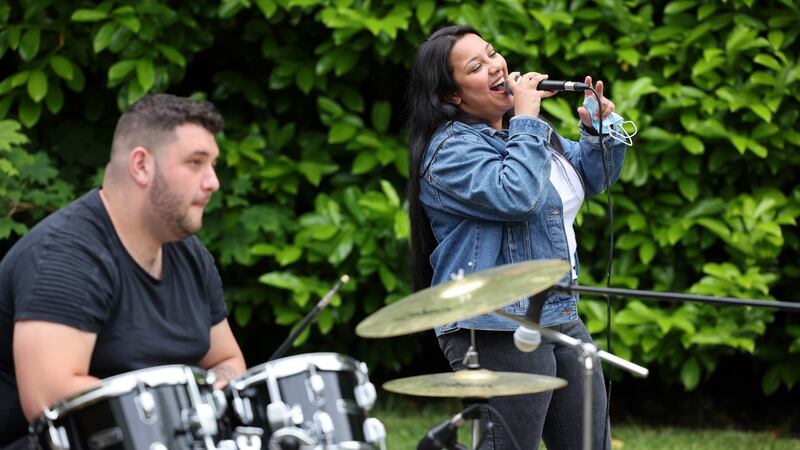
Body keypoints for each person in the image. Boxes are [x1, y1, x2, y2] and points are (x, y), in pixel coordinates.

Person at [407, 26, 629, 450]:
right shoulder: (449, 151)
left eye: (493, 54)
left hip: (558, 310)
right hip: (494, 322)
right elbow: (517, 196)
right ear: (452, 96)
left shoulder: (526, 133)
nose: (496, 66)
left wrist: (598, 130)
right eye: (477, 66)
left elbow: (589, 176)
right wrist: (526, 119)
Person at [0, 93, 246, 449]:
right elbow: (50, 401)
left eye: (213, 165)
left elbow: (226, 359)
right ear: (142, 165)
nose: (213, 182)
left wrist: (218, 389)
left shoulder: (189, 255)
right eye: (196, 163)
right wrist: (182, 413)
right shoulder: (65, 256)